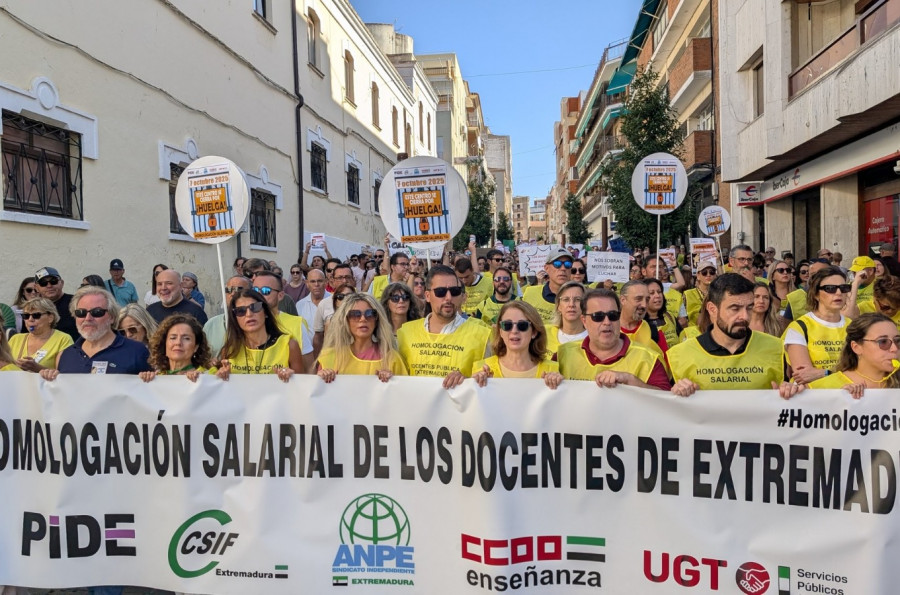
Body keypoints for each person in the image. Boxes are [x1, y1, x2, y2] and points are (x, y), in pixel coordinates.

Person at [669, 274, 797, 396]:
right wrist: (674, 393)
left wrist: (790, 390)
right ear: (712, 309)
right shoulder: (680, 355)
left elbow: (788, 393)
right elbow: (664, 404)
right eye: (735, 309)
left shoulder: (775, 348)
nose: (745, 316)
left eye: (749, 308)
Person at [397, 265, 492, 388]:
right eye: (440, 292)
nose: (448, 298)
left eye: (454, 291)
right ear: (427, 296)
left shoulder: (483, 335)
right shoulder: (405, 333)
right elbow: (397, 377)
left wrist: (467, 381)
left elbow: (488, 380)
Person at [556, 288, 670, 390]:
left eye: (613, 315)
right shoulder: (563, 355)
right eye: (598, 316)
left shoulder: (648, 359)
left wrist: (631, 381)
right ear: (584, 321)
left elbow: (665, 401)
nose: (607, 322)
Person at [41, 286, 152, 378]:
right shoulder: (66, 355)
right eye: (81, 313)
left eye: (97, 312)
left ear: (112, 317)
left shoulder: (137, 352)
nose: (88, 318)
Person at [783, 266, 852, 385]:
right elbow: (804, 376)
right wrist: (845, 373)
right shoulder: (799, 327)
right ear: (816, 294)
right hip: (812, 393)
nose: (839, 293)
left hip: (848, 392)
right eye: (830, 289)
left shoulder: (853, 326)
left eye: (843, 288)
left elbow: (863, 371)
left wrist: (824, 373)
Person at [215, 288, 301, 381]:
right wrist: (223, 375)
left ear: (265, 312)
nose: (249, 314)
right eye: (240, 311)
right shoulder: (229, 350)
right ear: (235, 318)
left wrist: (292, 377)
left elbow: (303, 384)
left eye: (255, 307)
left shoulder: (289, 345)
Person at [471, 301, 563, 389]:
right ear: (500, 331)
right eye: (507, 325)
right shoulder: (481, 369)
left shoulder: (552, 369)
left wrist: (558, 384)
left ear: (534, 332)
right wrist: (477, 385)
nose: (514, 331)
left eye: (522, 325)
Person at [317, 294, 407, 382]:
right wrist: (321, 379)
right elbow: (318, 390)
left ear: (377, 319)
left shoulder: (392, 358)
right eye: (355, 314)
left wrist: (392, 381)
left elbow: (403, 389)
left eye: (370, 314)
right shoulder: (329, 357)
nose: (363, 319)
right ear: (346, 320)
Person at [809, 313, 900, 397]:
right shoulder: (821, 388)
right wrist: (836, 401)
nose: (894, 348)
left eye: (898, 341)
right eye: (883, 342)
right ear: (856, 347)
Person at [252, 271, 315, 372]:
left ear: (280, 295)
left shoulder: (296, 324)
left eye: (265, 291)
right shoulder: (245, 322)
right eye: (255, 290)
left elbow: (309, 367)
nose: (259, 295)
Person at [139, 314, 211, 382]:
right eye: (173, 338)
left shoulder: (208, 376)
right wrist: (145, 380)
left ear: (196, 347)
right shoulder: (156, 377)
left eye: (186, 338)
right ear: (164, 344)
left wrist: (203, 380)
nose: (178, 343)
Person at [9, 298, 73, 372]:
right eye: (26, 316)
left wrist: (37, 368)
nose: (30, 319)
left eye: (36, 315)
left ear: (50, 318)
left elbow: (65, 373)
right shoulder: (16, 339)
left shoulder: (63, 339)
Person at [203, 275, 252, 357]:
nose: (232, 294)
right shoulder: (211, 324)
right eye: (228, 290)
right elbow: (201, 354)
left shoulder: (253, 322)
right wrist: (209, 362)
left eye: (238, 289)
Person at [522, 247, 572, 324]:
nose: (563, 268)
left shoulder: (580, 296)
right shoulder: (530, 292)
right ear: (546, 268)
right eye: (557, 264)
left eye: (567, 264)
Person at [314, 264, 357, 353]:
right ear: (333, 281)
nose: (344, 281)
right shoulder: (324, 304)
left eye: (348, 277)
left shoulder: (364, 302)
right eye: (340, 278)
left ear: (353, 279)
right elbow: (318, 336)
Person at [35, 266, 78, 341]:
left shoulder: (77, 302)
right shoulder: (34, 307)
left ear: (62, 283)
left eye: (53, 281)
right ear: (36, 288)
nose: (49, 286)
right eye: (43, 283)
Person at [545, 281, 587, 354]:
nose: (571, 305)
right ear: (558, 306)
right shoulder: (544, 333)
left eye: (578, 299)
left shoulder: (594, 338)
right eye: (566, 299)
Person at [679, 256, 717, 328]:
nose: (708, 275)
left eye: (712, 272)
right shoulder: (687, 294)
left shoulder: (719, 293)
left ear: (715, 275)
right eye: (704, 272)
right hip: (695, 331)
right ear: (698, 276)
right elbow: (682, 319)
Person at [645, 278, 681, 347]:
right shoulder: (640, 323)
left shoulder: (670, 316)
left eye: (659, 292)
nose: (657, 296)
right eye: (652, 293)